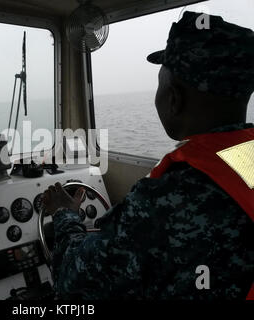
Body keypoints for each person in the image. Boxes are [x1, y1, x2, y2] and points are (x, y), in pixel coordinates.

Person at [42, 11, 254, 300]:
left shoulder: (170, 198)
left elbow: (74, 283)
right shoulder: (245, 157)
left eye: (160, 83)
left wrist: (64, 215)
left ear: (174, 99)